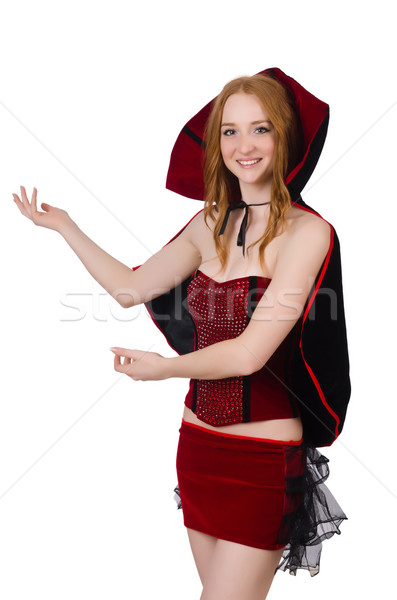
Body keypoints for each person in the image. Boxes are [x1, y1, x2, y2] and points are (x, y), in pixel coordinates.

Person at [12, 67, 350, 600]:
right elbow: (130, 288)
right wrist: (65, 226)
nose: (245, 145)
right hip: (196, 451)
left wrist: (164, 368)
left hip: (260, 462)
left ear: (284, 137)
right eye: (230, 130)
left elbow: (247, 354)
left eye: (261, 129)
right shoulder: (208, 222)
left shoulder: (309, 233)